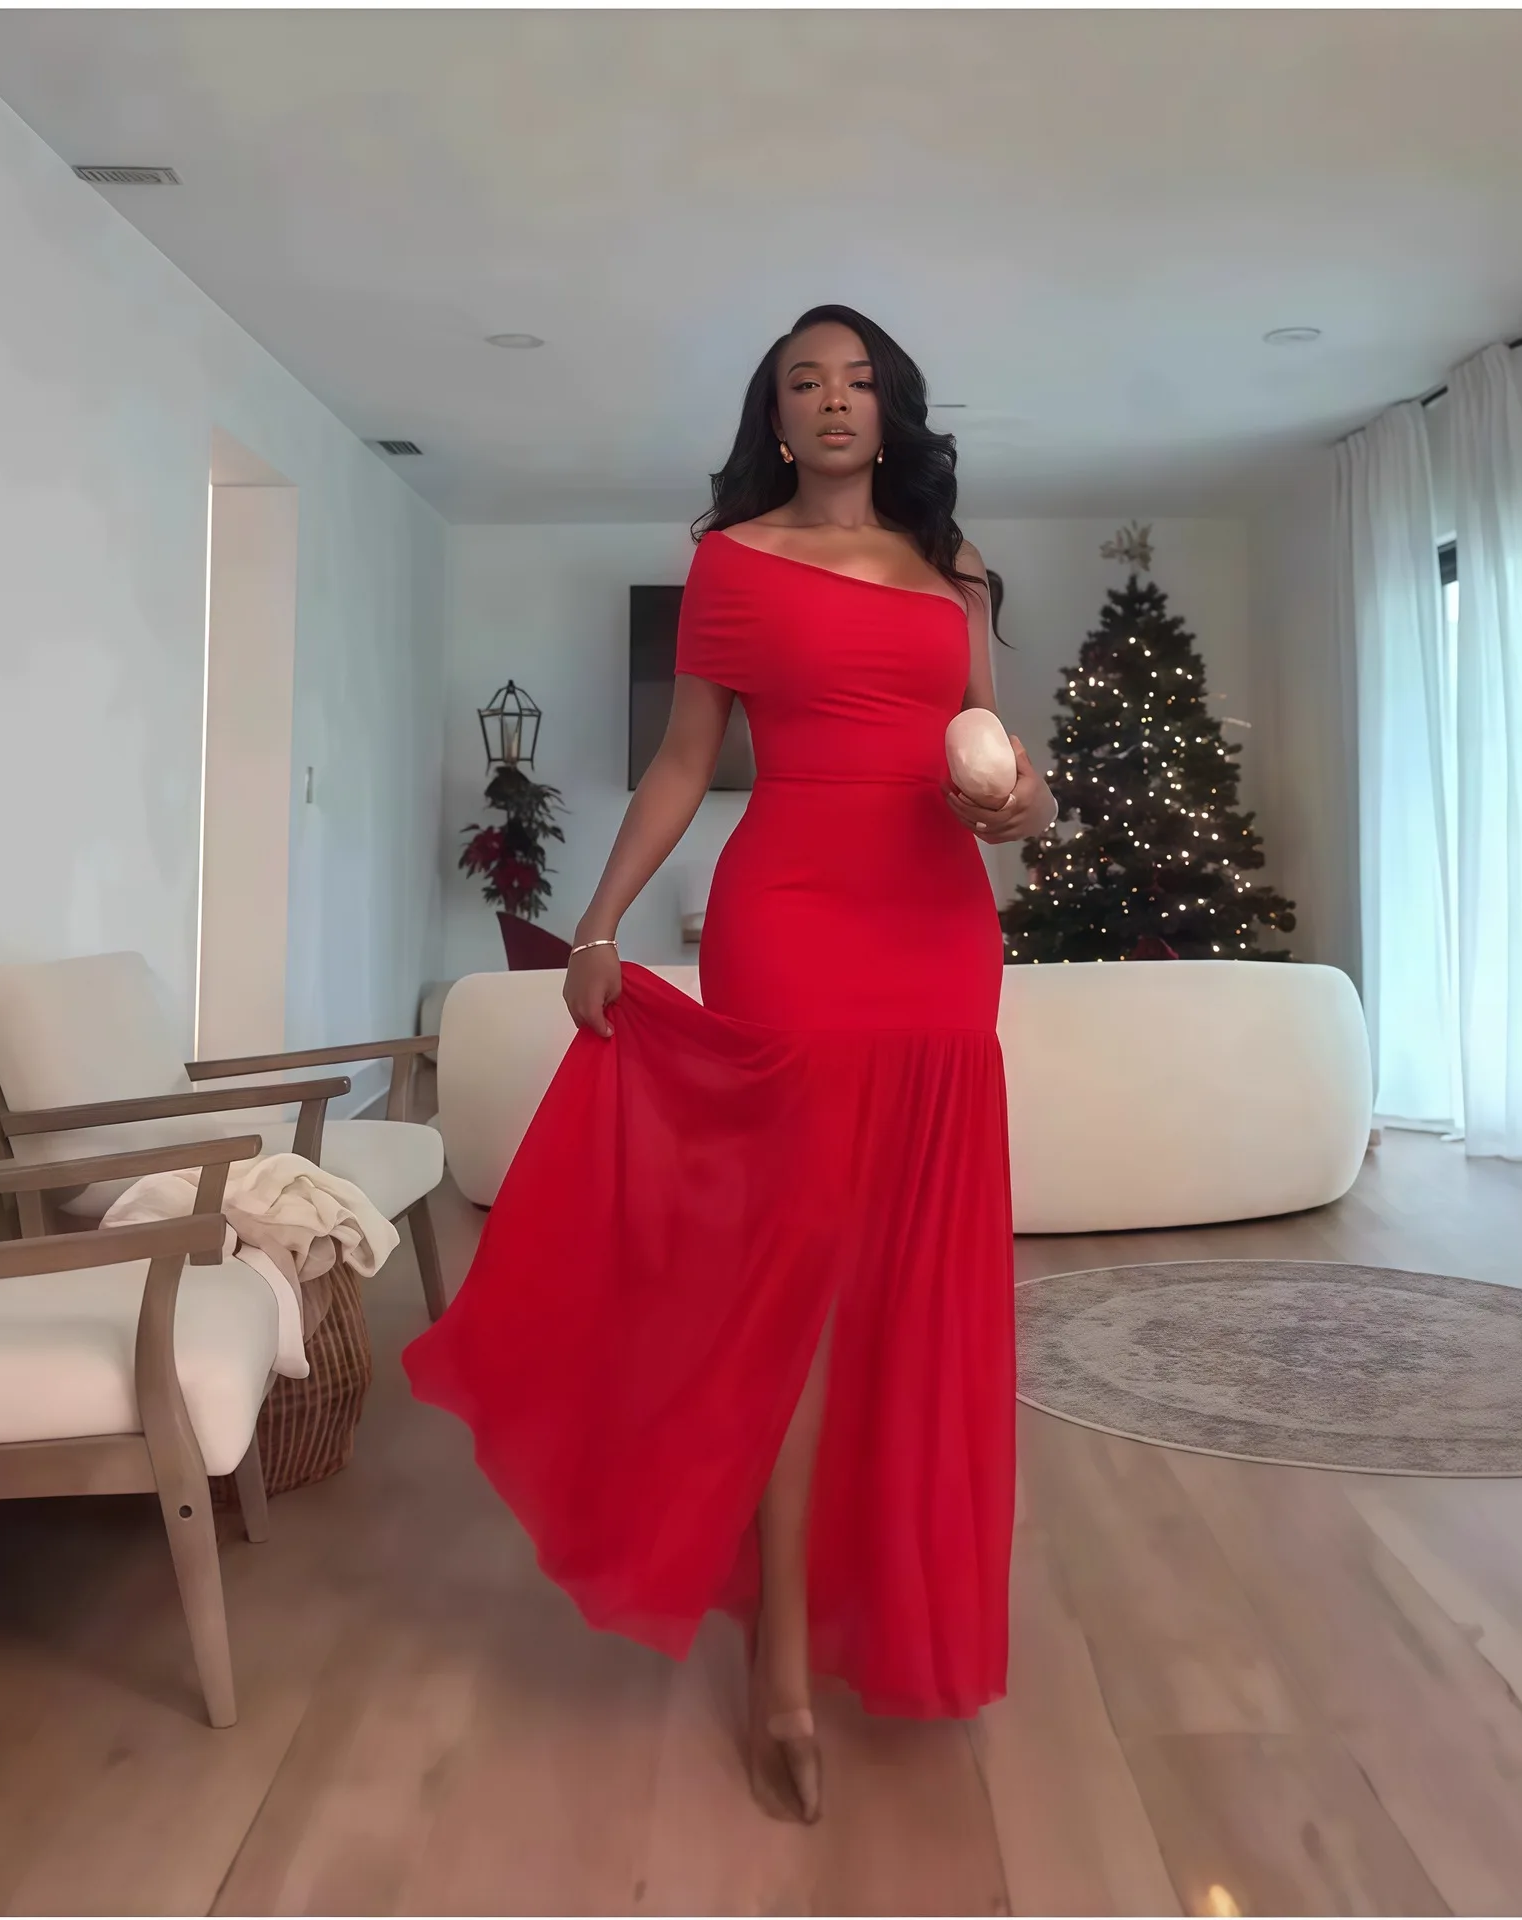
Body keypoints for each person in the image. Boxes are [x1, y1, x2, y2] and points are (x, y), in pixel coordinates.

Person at [404, 304, 1057, 1824]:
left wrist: (1026, 808)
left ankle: (888, 1602)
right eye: (803, 383)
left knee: (910, 1276)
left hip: (938, 936)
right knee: (795, 1283)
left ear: (892, 411)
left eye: (860, 382)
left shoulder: (954, 568)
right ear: (775, 416)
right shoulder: (731, 564)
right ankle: (780, 1668)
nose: (834, 402)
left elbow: (986, 752)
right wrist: (596, 928)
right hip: (793, 924)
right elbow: (684, 762)